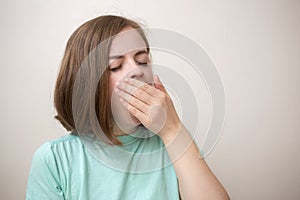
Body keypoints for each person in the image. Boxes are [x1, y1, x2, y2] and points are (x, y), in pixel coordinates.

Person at [26, 15, 230, 200]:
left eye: (142, 61)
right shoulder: (55, 160)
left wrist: (172, 130)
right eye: (115, 66)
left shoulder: (174, 144)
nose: (137, 71)